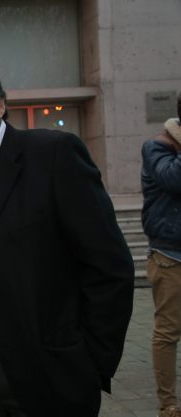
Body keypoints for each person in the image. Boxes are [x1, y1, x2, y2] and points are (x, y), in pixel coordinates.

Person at [0, 59, 135, 417]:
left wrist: (90, 365)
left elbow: (110, 267)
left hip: (51, 375)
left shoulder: (53, 156)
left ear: (0, 105)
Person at [141, 92, 181, 417]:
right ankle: (168, 404)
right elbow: (173, 180)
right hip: (170, 256)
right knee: (168, 331)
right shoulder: (157, 146)